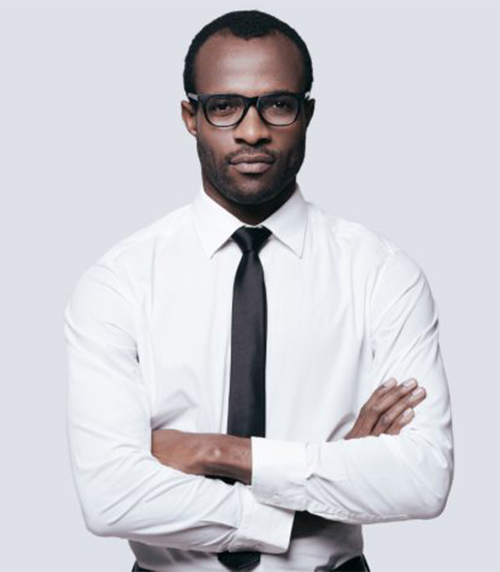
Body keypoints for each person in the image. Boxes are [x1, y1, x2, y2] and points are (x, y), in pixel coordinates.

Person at [64, 9, 454, 572]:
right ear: (191, 117)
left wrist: (214, 452)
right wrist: (321, 486)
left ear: (307, 114)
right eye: (224, 106)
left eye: (277, 104)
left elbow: (421, 480)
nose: (252, 131)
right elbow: (111, 498)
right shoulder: (119, 283)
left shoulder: (381, 274)